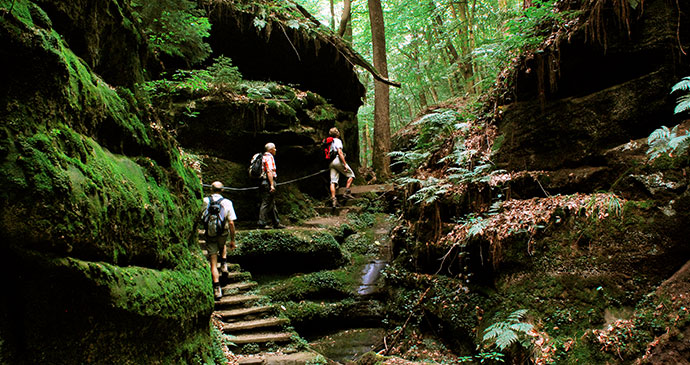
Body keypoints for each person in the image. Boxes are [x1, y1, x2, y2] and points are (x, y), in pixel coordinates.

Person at [200, 181, 237, 300]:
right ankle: (225, 264)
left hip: (210, 234)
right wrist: (232, 240)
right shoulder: (227, 202)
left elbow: (200, 216)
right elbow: (231, 222)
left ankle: (217, 288)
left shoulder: (205, 201)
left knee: (213, 261)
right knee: (223, 245)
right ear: (222, 190)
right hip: (223, 232)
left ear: (211, 189)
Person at [258, 143, 285, 229]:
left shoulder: (263, 157)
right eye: (274, 148)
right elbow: (269, 171)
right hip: (268, 182)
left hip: (263, 182)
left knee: (271, 202)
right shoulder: (269, 157)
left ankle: (276, 222)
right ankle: (262, 223)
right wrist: (272, 185)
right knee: (266, 202)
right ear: (270, 150)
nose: (276, 150)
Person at [328, 127, 355, 208]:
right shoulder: (337, 141)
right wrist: (345, 164)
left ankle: (333, 199)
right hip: (337, 160)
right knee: (351, 175)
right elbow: (340, 152)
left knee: (333, 181)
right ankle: (346, 192)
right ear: (337, 134)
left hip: (331, 162)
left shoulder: (329, 142)